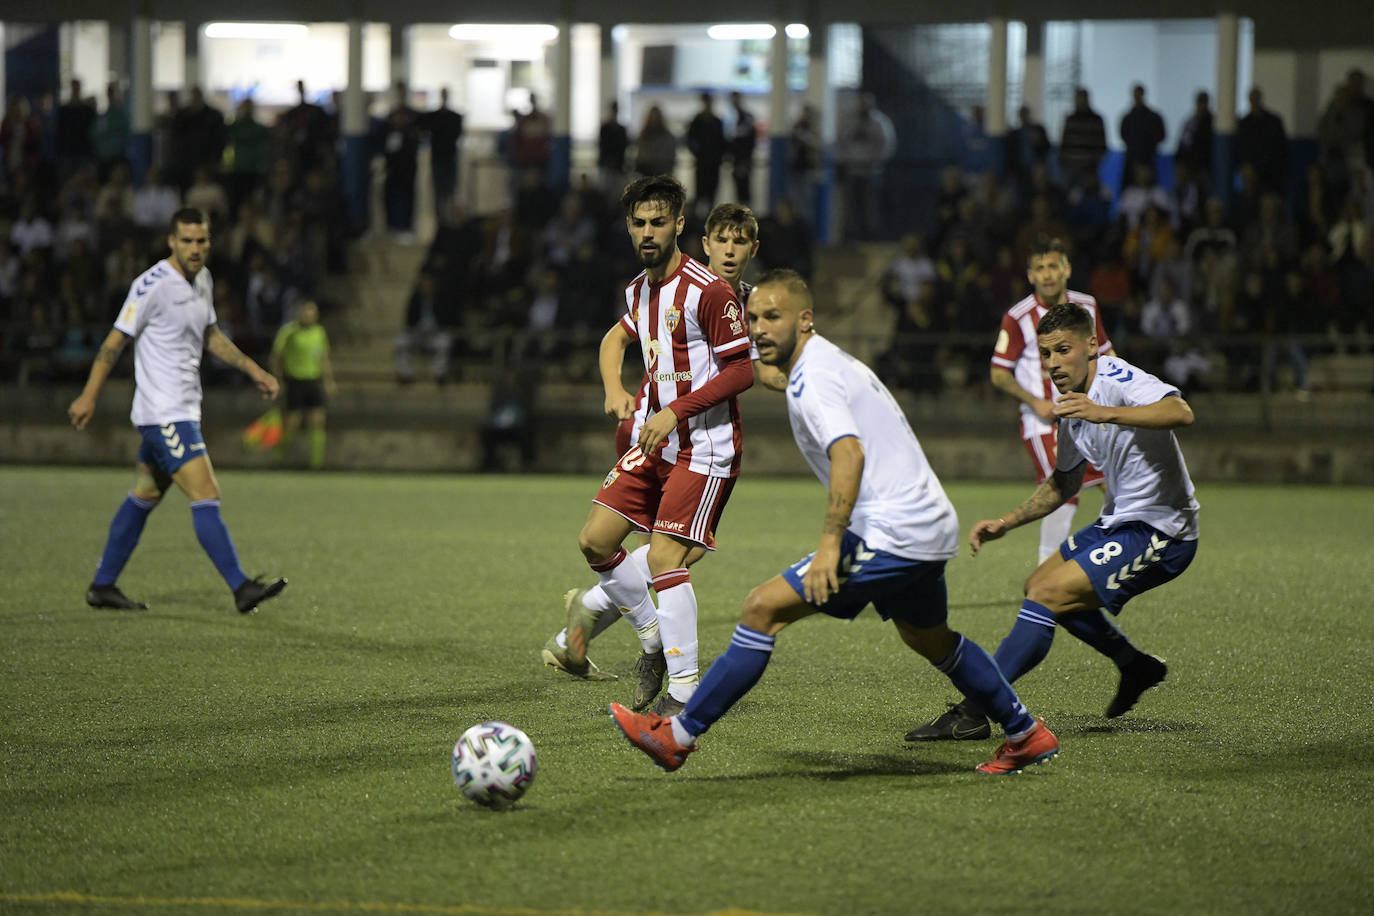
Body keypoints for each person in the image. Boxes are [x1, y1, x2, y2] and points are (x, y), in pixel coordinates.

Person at [609, 269, 1061, 776]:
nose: (759, 328)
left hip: (894, 531)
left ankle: (678, 736)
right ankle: (1026, 734)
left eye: (772, 317)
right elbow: (777, 382)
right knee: (930, 637)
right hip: (928, 524)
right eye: (754, 317)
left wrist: (830, 546)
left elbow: (849, 452)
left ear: (805, 320)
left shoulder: (815, 377)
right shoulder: (821, 363)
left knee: (761, 608)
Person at [908, 301, 1198, 738]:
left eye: (1064, 350)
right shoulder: (1069, 407)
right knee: (1039, 586)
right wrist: (1005, 522)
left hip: (1164, 529)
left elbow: (1181, 412)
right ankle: (1134, 666)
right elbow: (1063, 485)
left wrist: (1105, 412)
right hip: (1120, 522)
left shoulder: (1118, 377)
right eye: (1046, 353)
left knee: (1047, 594)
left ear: (1092, 345)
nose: (1054, 363)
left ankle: (975, 711)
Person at [542, 201, 786, 684]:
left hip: (690, 439)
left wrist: (797, 371)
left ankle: (581, 629)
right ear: (705, 242)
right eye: (722, 239)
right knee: (670, 554)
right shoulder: (678, 289)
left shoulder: (752, 304)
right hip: (655, 435)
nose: (730, 250)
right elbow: (618, 337)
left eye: (740, 241)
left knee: (670, 554)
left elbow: (761, 370)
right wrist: (617, 391)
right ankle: (619, 634)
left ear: (753, 249)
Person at [66, 208, 287, 614]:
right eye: (186, 241)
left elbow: (211, 337)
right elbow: (114, 342)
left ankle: (103, 585)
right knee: (206, 492)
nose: (195, 248)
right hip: (163, 411)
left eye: (201, 240)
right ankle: (240, 588)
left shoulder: (202, 280)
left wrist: (254, 370)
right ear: (171, 241)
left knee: (145, 494)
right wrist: (88, 395)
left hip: (182, 407)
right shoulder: (151, 285)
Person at [985, 237, 1113, 566]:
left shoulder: (1086, 306)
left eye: (1053, 266)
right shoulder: (1018, 317)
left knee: (1115, 485)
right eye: (1039, 268)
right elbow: (999, 373)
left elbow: (1105, 354)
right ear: (1030, 275)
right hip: (1043, 423)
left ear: (1067, 269)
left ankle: (1112, 559)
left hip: (1086, 414)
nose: (1047, 274)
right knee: (1062, 490)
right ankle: (1046, 578)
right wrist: (1035, 403)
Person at [270, 300, 336, 469]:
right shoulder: (289, 332)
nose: (308, 315)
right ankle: (279, 458)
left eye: (312, 312)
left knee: (318, 420)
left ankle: (316, 464)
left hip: (313, 380)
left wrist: (328, 381)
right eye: (306, 311)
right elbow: (276, 357)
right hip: (295, 381)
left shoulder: (319, 332)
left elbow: (323, 358)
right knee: (292, 422)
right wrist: (278, 379)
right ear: (300, 313)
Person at [422, 87, 464, 219]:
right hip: (438, 159)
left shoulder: (454, 117)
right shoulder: (435, 116)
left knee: (449, 191)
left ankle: (449, 218)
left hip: (449, 158)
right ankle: (440, 220)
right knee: (439, 192)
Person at [1119, 83, 1166, 189]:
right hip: (1132, 160)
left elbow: (1161, 136)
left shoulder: (1153, 118)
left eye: (1139, 94)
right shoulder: (1127, 118)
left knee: (1149, 191)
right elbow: (1123, 136)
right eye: (1136, 94)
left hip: (1148, 159)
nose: (1137, 97)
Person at [1059, 88, 1108, 189]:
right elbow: (1064, 143)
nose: (1080, 101)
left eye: (1082, 98)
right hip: (1070, 167)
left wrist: (1094, 162)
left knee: (1088, 195)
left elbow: (1102, 144)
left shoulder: (1096, 120)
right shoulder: (1070, 119)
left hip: (1089, 168)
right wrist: (1065, 161)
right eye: (1078, 98)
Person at [686, 93, 726, 213]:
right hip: (703, 162)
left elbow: (722, 142)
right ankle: (699, 216)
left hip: (712, 162)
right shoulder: (699, 121)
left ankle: (707, 215)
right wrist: (697, 153)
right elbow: (690, 140)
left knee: (711, 192)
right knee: (700, 191)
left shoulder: (715, 121)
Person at [727, 91, 758, 206]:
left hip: (743, 160)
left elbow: (750, 142)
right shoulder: (732, 118)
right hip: (736, 161)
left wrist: (745, 160)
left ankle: (745, 214)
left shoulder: (746, 118)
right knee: (738, 188)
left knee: (744, 188)